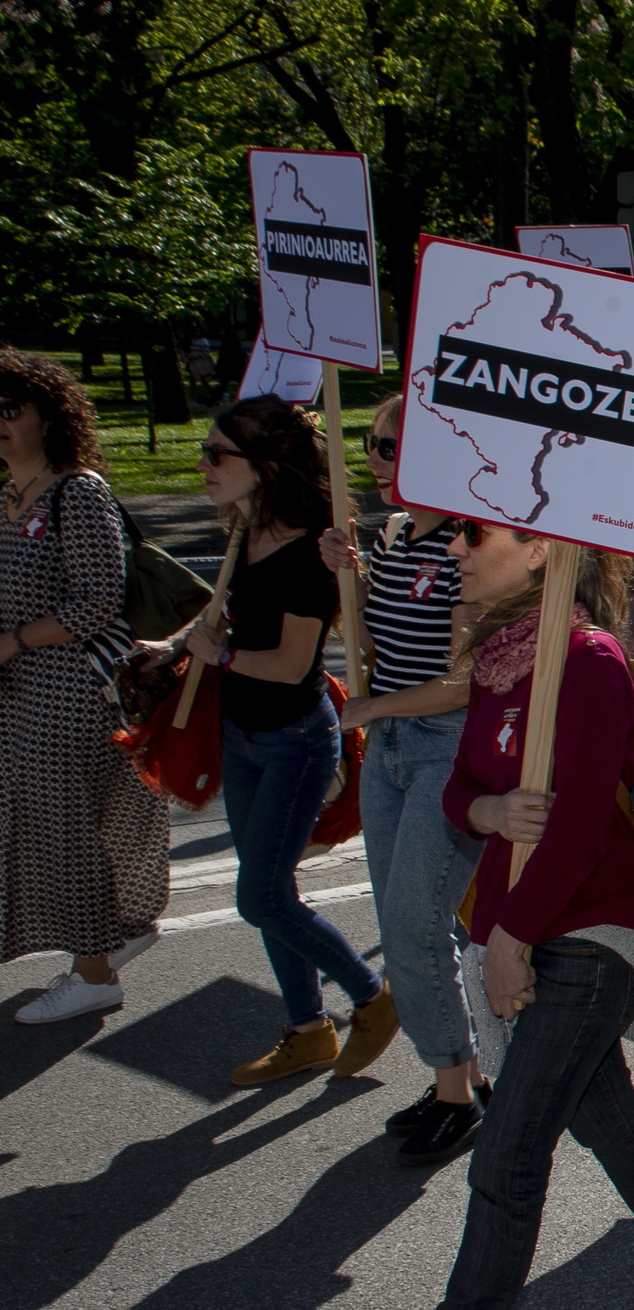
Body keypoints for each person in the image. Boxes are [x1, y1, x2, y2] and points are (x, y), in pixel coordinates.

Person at [329, 529, 634, 1310]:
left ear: (542, 548)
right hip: (525, 923)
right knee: (604, 1112)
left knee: (506, 1157)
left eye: (475, 536)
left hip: (587, 933)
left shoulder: (585, 660)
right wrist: (489, 811)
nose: (456, 550)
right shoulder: (505, 660)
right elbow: (465, 782)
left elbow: (583, 826)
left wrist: (509, 941)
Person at [168, 395, 396, 1086]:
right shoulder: (244, 530)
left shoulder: (307, 553)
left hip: (294, 743)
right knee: (274, 885)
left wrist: (222, 657)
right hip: (241, 734)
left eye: (217, 455)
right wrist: (173, 646)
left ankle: (372, 996)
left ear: (264, 466)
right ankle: (308, 1029)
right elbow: (221, 623)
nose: (204, 465)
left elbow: (294, 666)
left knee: (261, 897)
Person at [313, 395, 488, 1161]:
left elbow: (460, 684)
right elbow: (370, 640)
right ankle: (461, 1073)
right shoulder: (387, 536)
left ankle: (459, 1086)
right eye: (370, 445)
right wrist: (347, 577)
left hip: (445, 746)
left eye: (389, 447)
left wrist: (366, 708)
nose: (374, 460)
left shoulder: (469, 543)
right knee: (401, 922)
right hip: (388, 745)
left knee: (418, 923)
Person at [0, 352, 166, 1024]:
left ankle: (93, 972)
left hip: (69, 691)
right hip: (18, 692)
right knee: (37, 828)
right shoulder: (8, 495)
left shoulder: (78, 492)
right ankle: (107, 939)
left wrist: (12, 641)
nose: (0, 423)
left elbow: (99, 600)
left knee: (65, 831)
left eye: (12, 410)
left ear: (51, 418)